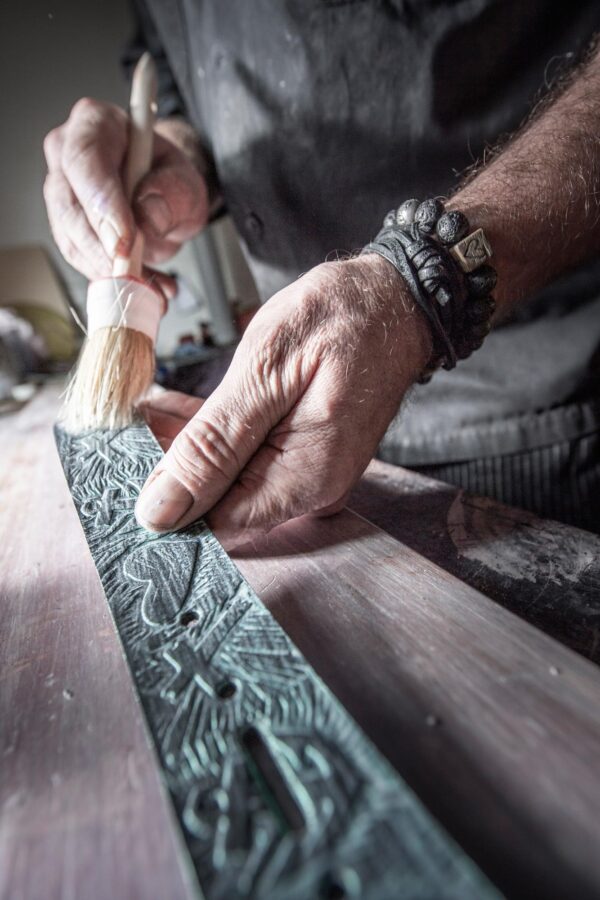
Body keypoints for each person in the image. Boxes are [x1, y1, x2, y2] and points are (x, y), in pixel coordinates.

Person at [43, 2, 600, 543]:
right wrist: (179, 156)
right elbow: (181, 97)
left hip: (536, 413)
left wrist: (421, 284)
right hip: (300, 419)